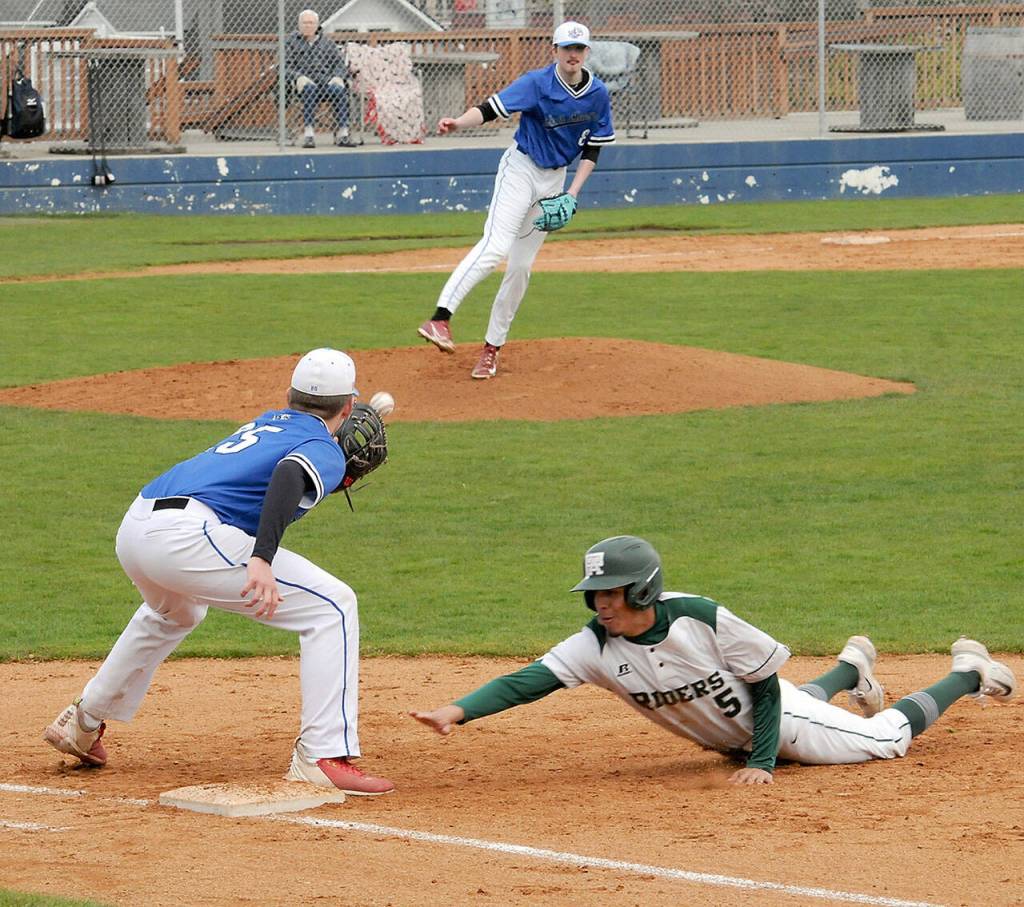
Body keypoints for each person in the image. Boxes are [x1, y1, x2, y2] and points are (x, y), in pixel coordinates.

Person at [44, 348, 394, 795]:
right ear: (348, 408)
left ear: (290, 395)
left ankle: (83, 720)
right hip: (184, 537)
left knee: (178, 613)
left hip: (137, 525)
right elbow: (290, 474)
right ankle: (322, 756)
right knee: (332, 606)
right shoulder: (320, 447)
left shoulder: (268, 423)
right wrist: (262, 558)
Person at [412, 536, 1016, 783]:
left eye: (610, 594)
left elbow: (766, 686)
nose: (600, 606)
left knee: (882, 739)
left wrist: (761, 762)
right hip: (756, 723)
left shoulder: (701, 617)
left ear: (643, 591)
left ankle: (966, 672)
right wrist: (459, 710)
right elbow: (528, 683)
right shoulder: (595, 645)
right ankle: (852, 669)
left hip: (779, 726)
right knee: (787, 703)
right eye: (594, 596)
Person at [417, 21, 614, 380]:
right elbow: (492, 108)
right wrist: (459, 123)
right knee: (495, 246)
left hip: (555, 180)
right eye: (566, 48)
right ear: (554, 50)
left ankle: (491, 349)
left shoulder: (597, 94)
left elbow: (593, 147)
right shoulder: (537, 83)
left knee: (521, 267)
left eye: (579, 48)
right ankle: (440, 319)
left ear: (586, 52)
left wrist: (571, 195)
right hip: (520, 170)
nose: (572, 54)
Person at [285, 9, 358, 148]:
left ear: (317, 25)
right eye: (305, 23)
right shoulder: (290, 43)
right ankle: (309, 134)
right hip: (305, 82)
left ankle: (343, 134)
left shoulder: (327, 43)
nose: (308, 26)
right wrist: (298, 77)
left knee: (339, 90)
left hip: (326, 81)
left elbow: (339, 64)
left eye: (311, 23)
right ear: (299, 25)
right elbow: (284, 66)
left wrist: (337, 77)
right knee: (309, 89)